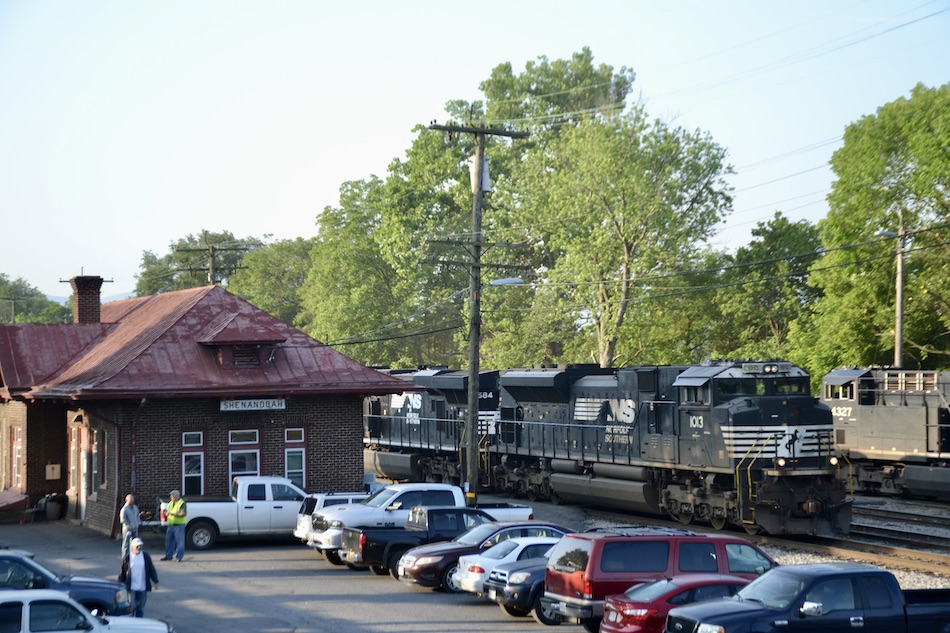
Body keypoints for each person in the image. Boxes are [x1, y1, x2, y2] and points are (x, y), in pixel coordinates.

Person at [118, 537, 158, 617]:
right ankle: (132, 621)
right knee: (132, 606)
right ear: (132, 547)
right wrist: (120, 585)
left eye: (140, 546)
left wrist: (155, 581)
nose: (139, 547)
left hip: (142, 587)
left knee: (140, 608)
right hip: (131, 587)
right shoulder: (127, 558)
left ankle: (139, 621)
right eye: (137, 546)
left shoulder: (145, 556)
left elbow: (151, 569)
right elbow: (122, 573)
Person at [162, 489, 187, 562]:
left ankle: (179, 557)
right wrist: (166, 513)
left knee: (180, 542)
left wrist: (173, 514)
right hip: (171, 525)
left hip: (179, 525)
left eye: (171, 496)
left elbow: (183, 514)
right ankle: (168, 556)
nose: (170, 497)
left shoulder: (181, 503)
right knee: (169, 541)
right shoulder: (170, 503)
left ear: (176, 496)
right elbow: (169, 512)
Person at [119, 494, 141, 560]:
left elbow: (138, 516)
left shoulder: (135, 507)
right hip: (127, 529)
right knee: (126, 543)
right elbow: (122, 519)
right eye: (131, 499)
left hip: (135, 528)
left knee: (135, 543)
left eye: (133, 499)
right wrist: (129, 525)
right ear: (127, 500)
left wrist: (137, 523)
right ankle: (125, 556)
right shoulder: (124, 509)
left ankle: (134, 555)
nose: (132, 500)